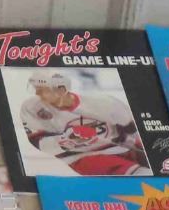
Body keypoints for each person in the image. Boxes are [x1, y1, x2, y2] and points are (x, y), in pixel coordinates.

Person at [18, 70, 149, 175]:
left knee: (155, 165)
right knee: (141, 174)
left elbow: (130, 128)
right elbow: (38, 144)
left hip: (119, 147)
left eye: (43, 90)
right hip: (80, 157)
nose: (37, 93)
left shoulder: (103, 103)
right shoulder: (32, 108)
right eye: (36, 89)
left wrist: (137, 146)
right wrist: (69, 137)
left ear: (61, 90)